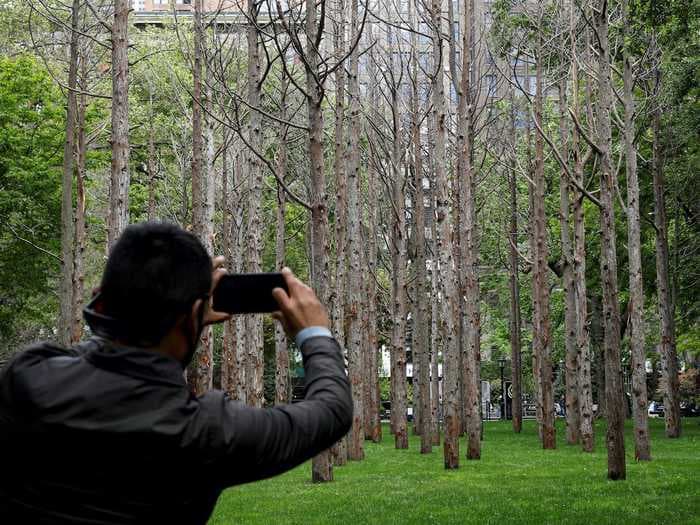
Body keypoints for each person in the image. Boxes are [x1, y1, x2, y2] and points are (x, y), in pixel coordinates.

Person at [0, 222, 352, 524]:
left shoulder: (25, 380)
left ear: (101, 299)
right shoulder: (205, 433)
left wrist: (176, 315)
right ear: (195, 313)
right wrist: (314, 334)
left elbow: (114, 362)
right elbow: (332, 409)